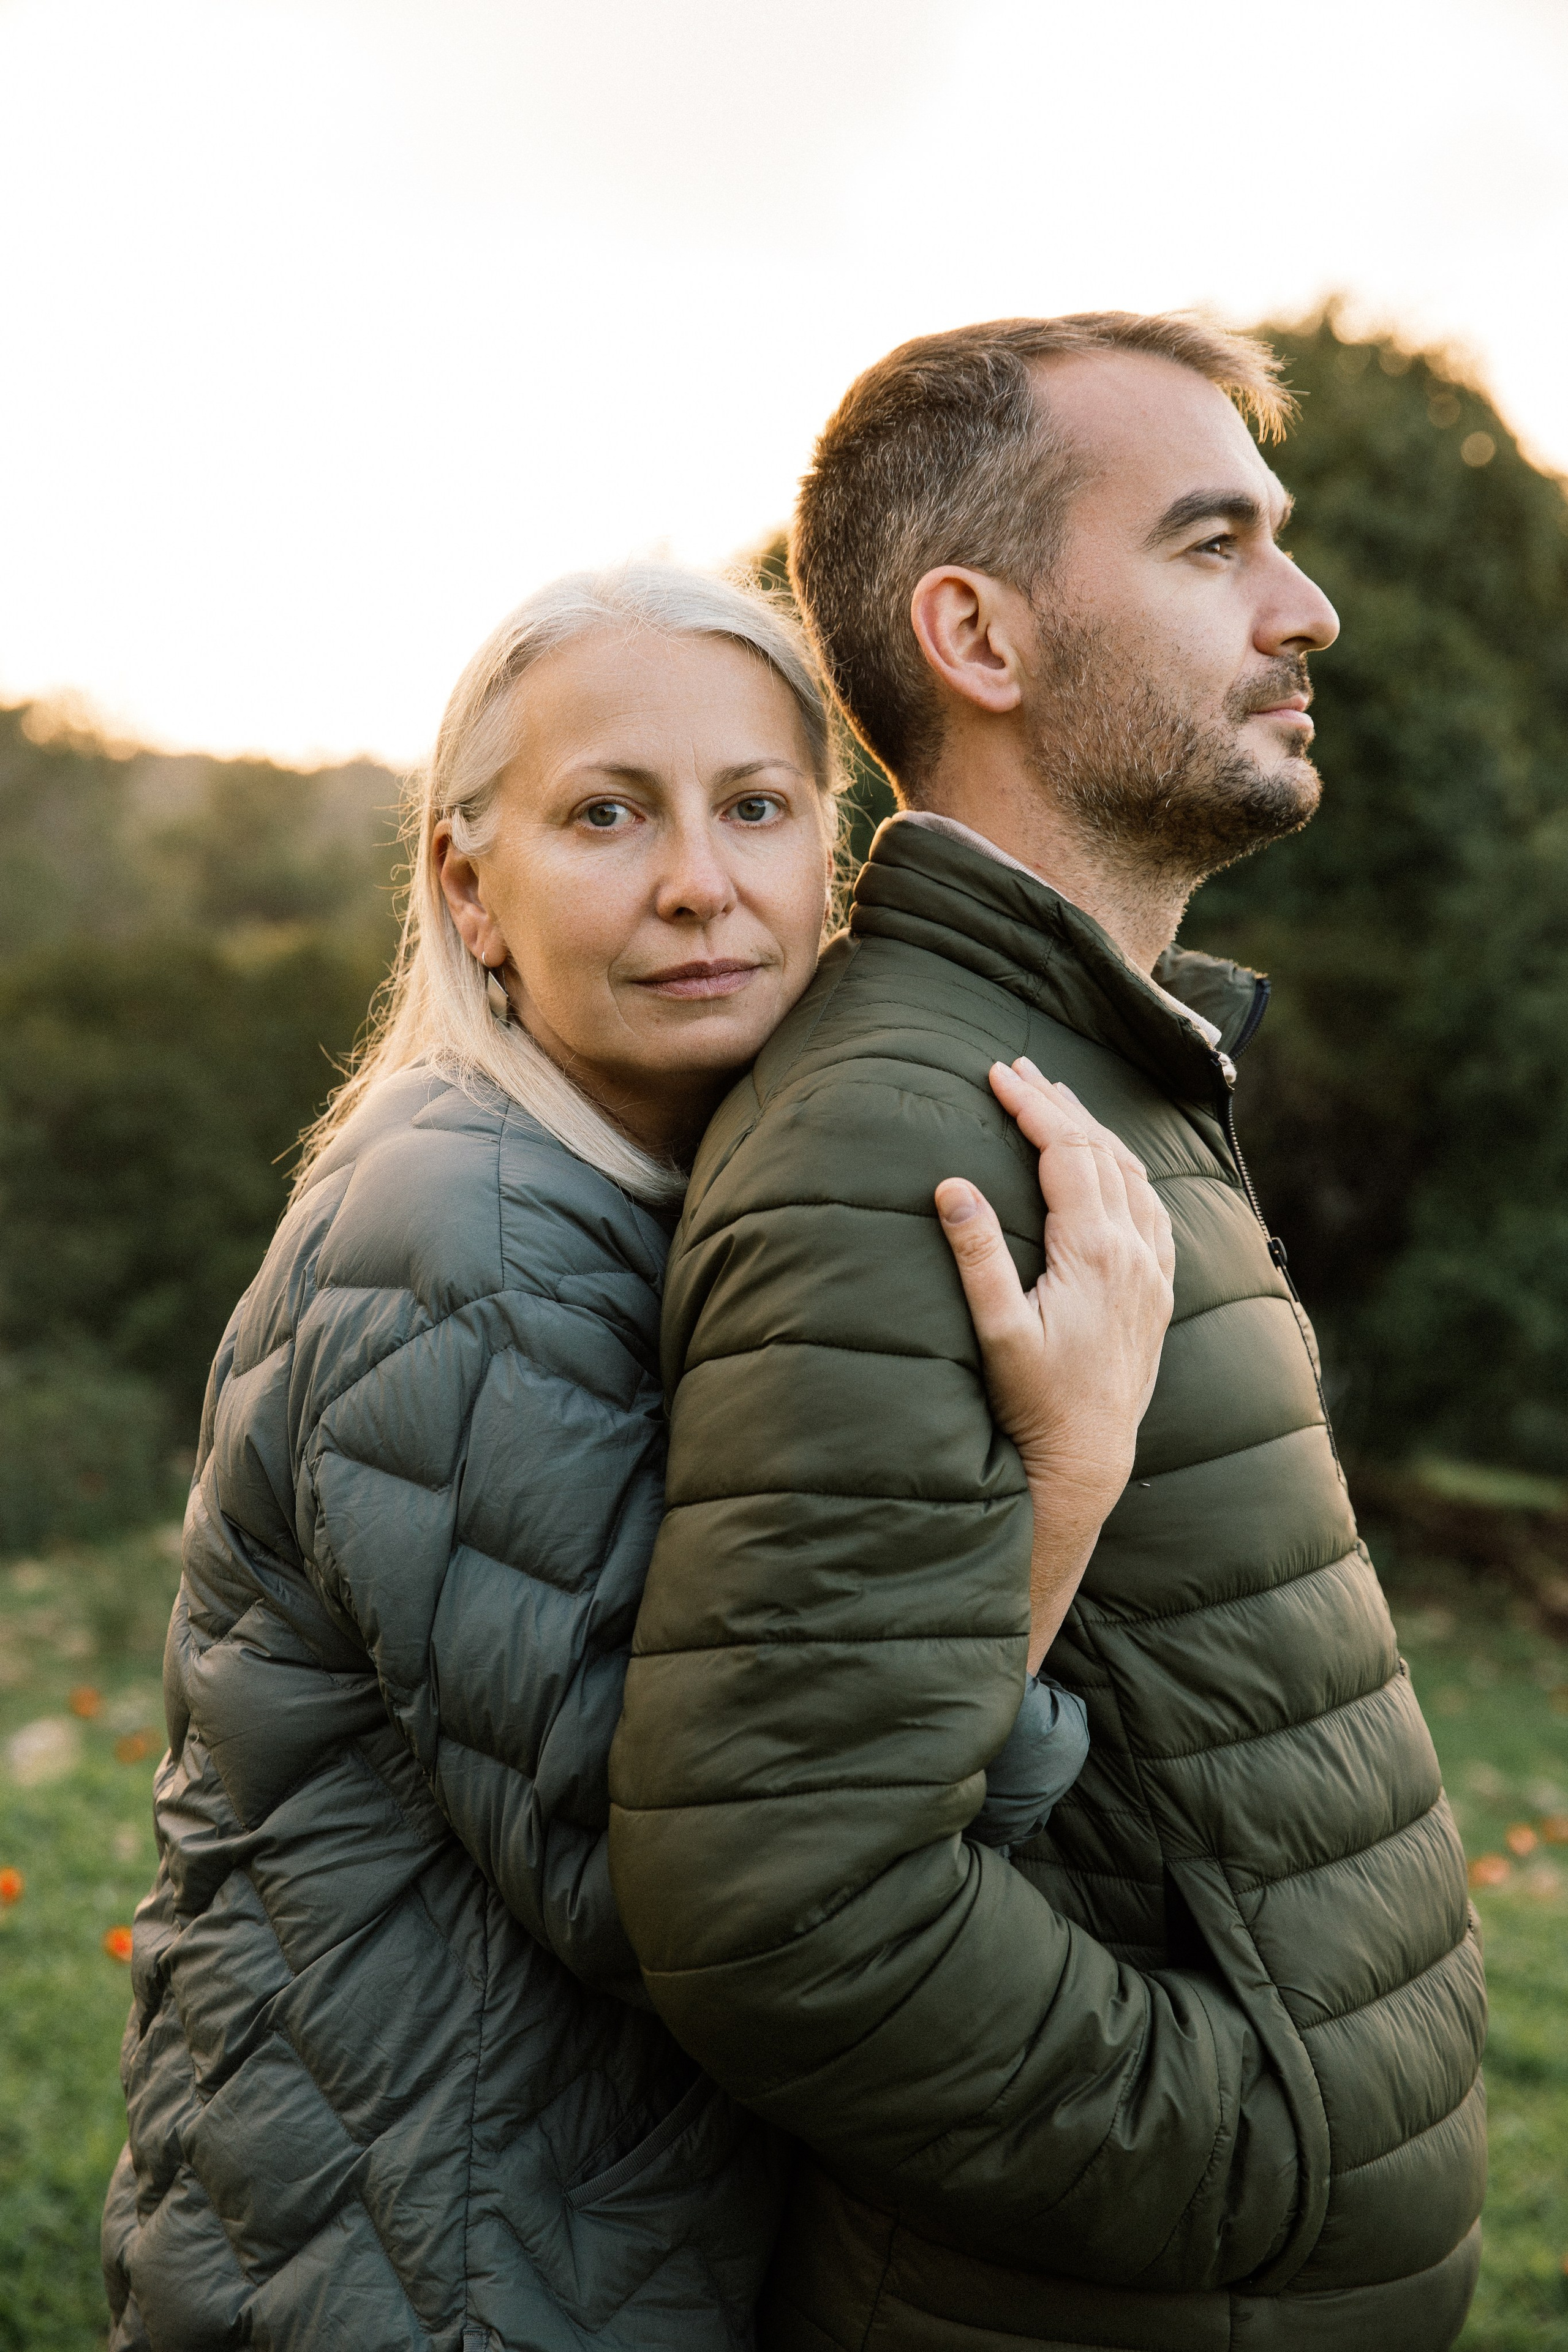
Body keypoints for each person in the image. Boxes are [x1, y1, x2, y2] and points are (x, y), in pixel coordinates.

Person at [101, 563, 1170, 2351]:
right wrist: (1066, 1476)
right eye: (607, 814)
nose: (698, 882)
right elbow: (695, 1878)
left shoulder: (657, 1205)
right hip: (421, 2275)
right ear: (471, 888)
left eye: (756, 806)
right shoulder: (459, 1238)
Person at [608, 317, 1488, 2352]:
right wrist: (1261, 2160)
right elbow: (783, 1914)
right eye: (1212, 544)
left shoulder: (1085, 1074)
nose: (1307, 608)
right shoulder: (906, 1142)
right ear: (978, 638)